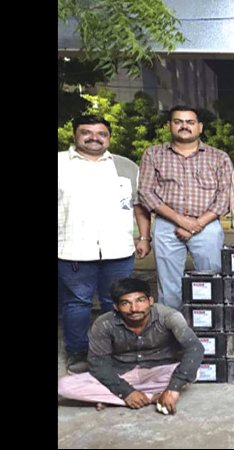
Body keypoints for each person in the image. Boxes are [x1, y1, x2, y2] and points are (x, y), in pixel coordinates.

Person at [58, 115, 152, 375]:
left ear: (109, 137)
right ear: (75, 135)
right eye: (86, 132)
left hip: (118, 248)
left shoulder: (125, 166)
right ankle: (78, 352)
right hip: (73, 248)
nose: (94, 138)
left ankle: (119, 350)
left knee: (119, 302)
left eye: (101, 133)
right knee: (77, 303)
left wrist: (144, 238)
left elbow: (139, 206)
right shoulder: (60, 163)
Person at [58, 278, 205, 414]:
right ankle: (152, 397)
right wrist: (126, 392)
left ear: (150, 301)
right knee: (63, 386)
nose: (134, 308)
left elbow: (194, 348)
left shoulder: (168, 316)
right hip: (120, 373)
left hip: (157, 371)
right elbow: (98, 362)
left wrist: (173, 389)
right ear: (116, 306)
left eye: (140, 300)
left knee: (194, 371)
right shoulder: (104, 323)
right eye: (125, 303)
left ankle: (110, 397)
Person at [138, 106, 233, 310]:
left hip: (207, 225)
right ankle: (173, 327)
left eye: (190, 122)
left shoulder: (219, 157)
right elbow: (145, 192)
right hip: (167, 225)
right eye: (178, 122)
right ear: (169, 125)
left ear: (200, 127)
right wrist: (181, 221)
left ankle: (208, 325)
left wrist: (196, 224)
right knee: (169, 287)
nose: (184, 126)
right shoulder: (153, 154)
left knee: (211, 280)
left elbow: (225, 196)